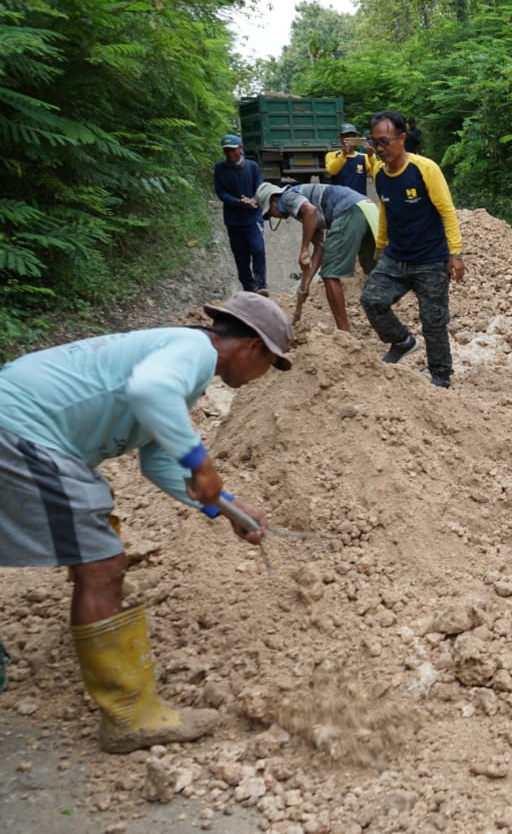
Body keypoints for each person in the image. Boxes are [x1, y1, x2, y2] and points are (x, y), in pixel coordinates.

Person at [0, 292, 294, 752]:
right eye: (269, 364)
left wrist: (228, 507)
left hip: (16, 420)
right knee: (102, 564)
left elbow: (157, 462)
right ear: (254, 347)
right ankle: (129, 715)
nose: (262, 376)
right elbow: (149, 391)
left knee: (92, 520)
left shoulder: (178, 360)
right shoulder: (194, 351)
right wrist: (201, 463)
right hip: (21, 427)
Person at [359, 109, 464, 387]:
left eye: (384, 142)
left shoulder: (424, 169)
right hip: (397, 257)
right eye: (374, 142)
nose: (379, 149)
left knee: (434, 321)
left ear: (402, 138)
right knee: (371, 299)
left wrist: (455, 253)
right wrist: (381, 244)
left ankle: (440, 376)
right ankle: (402, 340)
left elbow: (446, 210)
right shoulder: (379, 173)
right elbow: (385, 210)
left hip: (431, 260)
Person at [255, 181, 379, 331]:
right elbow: (319, 247)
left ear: (274, 200)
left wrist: (304, 249)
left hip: (348, 210)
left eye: (270, 213)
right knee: (373, 270)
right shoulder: (305, 207)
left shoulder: (287, 197)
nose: (273, 217)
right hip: (367, 209)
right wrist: (305, 283)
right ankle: (382, 321)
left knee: (329, 275)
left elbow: (311, 211)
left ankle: (343, 331)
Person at [213, 134, 268, 295]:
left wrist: (253, 200)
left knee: (258, 249)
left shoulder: (252, 167)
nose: (230, 154)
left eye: (233, 150)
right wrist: (238, 202)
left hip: (253, 217)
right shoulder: (220, 168)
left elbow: (260, 186)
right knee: (240, 256)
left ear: (241, 148)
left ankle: (261, 285)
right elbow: (221, 192)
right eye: (227, 151)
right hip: (233, 219)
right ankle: (249, 289)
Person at [325, 123, 381, 196]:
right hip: (338, 199)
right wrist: (344, 154)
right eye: (346, 136)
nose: (349, 138)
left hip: (359, 199)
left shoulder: (364, 157)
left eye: (353, 136)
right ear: (340, 138)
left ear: (357, 138)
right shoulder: (332, 155)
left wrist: (371, 155)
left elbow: (376, 173)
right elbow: (332, 171)